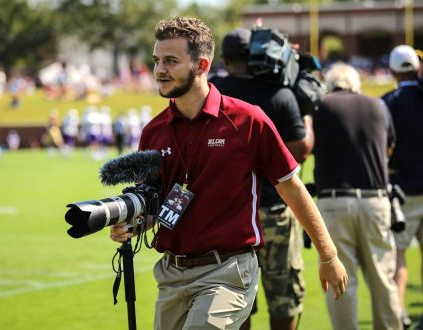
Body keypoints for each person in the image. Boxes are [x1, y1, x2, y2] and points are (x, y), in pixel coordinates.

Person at [110, 16, 347, 330]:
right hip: (171, 274)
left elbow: (291, 187)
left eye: (170, 61)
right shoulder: (153, 131)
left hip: (228, 271)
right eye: (156, 61)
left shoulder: (248, 120)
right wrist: (132, 224)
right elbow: (155, 206)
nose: (159, 71)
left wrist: (328, 255)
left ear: (201, 64)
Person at [210, 28, 314, 330]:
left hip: (229, 215)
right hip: (275, 209)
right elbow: (301, 150)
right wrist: (307, 111)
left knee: (237, 298)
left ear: (226, 59)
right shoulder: (280, 93)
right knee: (283, 296)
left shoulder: (214, 92)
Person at [313, 62, 401, 330]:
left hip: (334, 200)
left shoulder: (321, 105)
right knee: (383, 279)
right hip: (375, 200)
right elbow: (389, 149)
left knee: (341, 281)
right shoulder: (378, 105)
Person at [382, 45, 423, 330]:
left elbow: (384, 148)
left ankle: (398, 315)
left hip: (403, 190)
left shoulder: (388, 102)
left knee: (398, 255)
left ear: (394, 71)